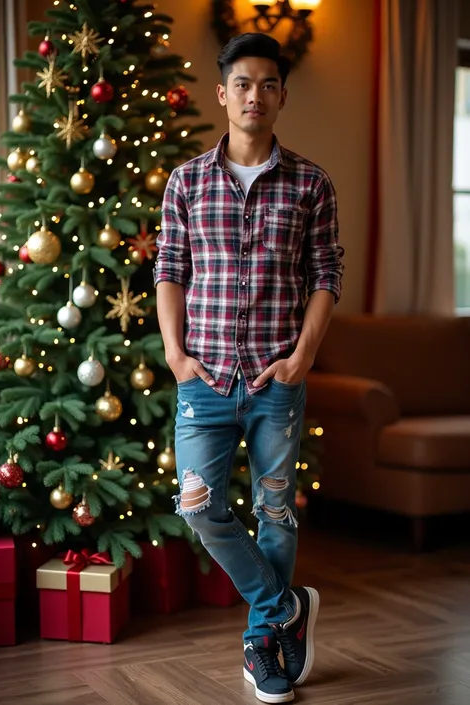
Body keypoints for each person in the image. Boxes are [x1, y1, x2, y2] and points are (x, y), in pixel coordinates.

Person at [155, 32, 344, 704]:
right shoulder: (186, 181)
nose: (254, 95)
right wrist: (176, 355)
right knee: (197, 506)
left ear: (281, 96)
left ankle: (264, 644)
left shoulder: (311, 183)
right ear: (223, 93)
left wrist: (303, 357)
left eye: (267, 84)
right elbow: (169, 271)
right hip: (203, 381)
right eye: (242, 83)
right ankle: (285, 604)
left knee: (275, 512)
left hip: (275, 380)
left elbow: (326, 274)